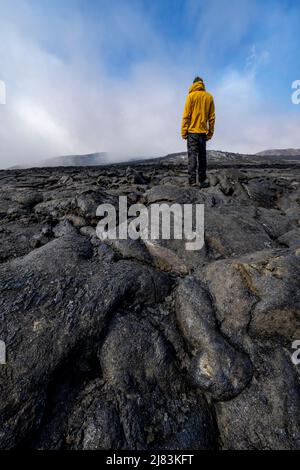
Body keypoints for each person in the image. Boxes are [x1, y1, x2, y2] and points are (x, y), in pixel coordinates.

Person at [181, 77, 215, 187]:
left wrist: (184, 131)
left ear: (193, 84)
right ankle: (202, 180)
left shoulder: (190, 96)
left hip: (192, 133)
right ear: (202, 84)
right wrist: (210, 133)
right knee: (202, 157)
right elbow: (212, 117)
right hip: (203, 133)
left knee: (192, 157)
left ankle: (192, 181)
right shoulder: (209, 97)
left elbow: (186, 116)